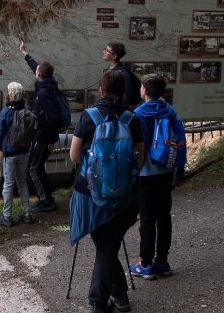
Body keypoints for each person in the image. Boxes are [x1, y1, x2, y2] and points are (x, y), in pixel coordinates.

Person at [69, 70, 144, 313]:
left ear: (100, 90)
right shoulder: (132, 119)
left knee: (105, 245)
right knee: (108, 245)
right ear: (123, 91)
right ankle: (119, 295)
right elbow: (140, 160)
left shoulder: (88, 117)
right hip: (124, 195)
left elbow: (74, 155)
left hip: (89, 194)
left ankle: (97, 302)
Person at [129, 74, 187, 280]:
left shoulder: (139, 114)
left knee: (146, 218)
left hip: (147, 172)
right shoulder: (170, 111)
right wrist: (179, 169)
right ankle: (161, 261)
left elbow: (139, 145)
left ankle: (145, 263)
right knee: (163, 216)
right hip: (167, 170)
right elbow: (180, 139)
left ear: (144, 90)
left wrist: (134, 169)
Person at [19, 40, 59, 213]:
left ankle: (46, 201)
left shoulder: (43, 93)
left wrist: (51, 140)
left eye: (36, 71)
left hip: (43, 136)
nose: (35, 71)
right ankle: (47, 197)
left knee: (33, 168)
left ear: (39, 75)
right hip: (42, 135)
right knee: (37, 167)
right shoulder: (49, 83)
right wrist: (25, 54)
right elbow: (36, 67)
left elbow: (53, 117)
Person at [0, 81, 33, 226]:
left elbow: (0, 133)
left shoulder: (6, 112)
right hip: (24, 151)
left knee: (8, 184)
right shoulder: (27, 109)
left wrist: (0, 148)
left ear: (10, 94)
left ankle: (7, 217)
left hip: (10, 153)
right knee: (22, 182)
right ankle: (27, 214)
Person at [102, 41, 142, 108]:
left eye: (107, 51)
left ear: (114, 56)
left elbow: (127, 95)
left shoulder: (123, 72)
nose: (104, 52)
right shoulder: (110, 69)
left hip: (119, 110)